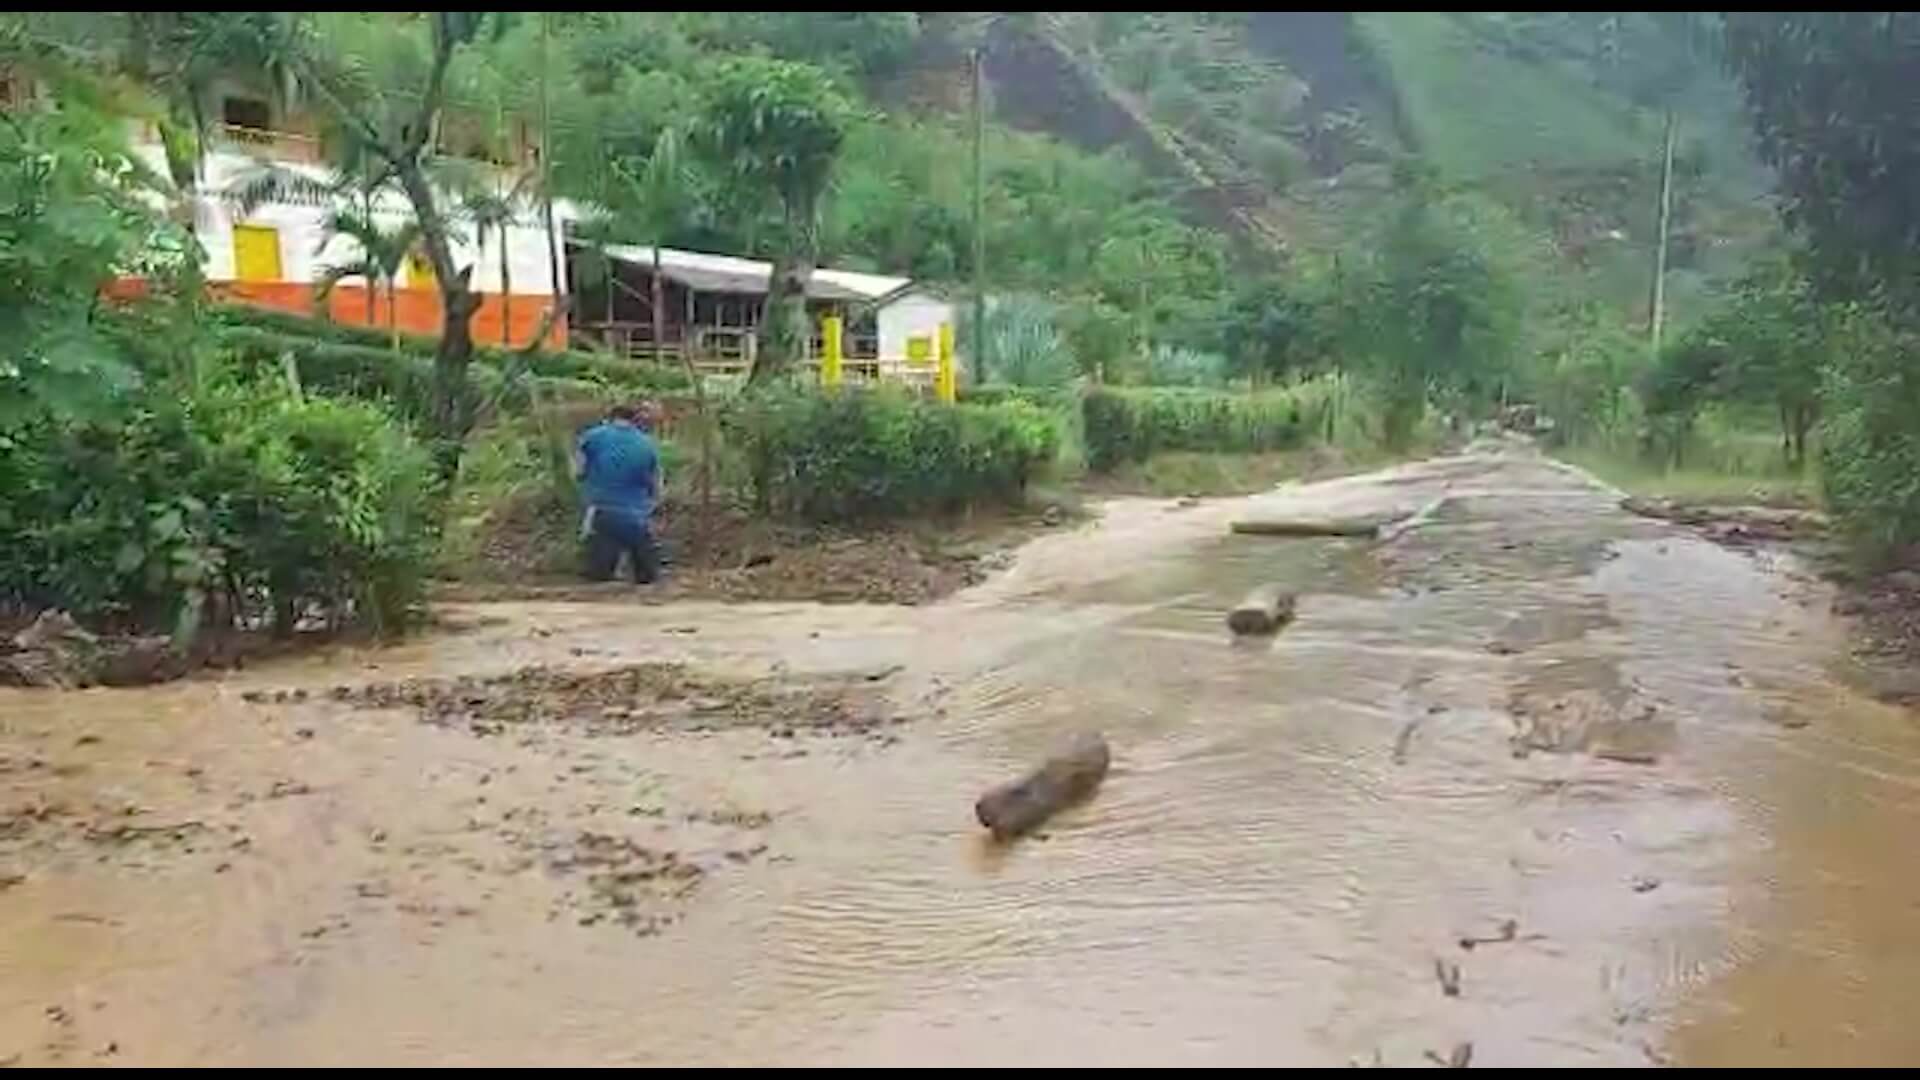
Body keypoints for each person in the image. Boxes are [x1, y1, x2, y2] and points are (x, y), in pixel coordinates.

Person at [575, 402, 662, 584]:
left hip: (603, 512)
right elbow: (655, 482)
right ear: (633, 420)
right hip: (638, 516)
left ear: (609, 418)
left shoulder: (593, 436)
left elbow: (579, 471)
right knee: (647, 577)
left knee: (598, 574)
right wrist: (652, 505)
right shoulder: (647, 443)